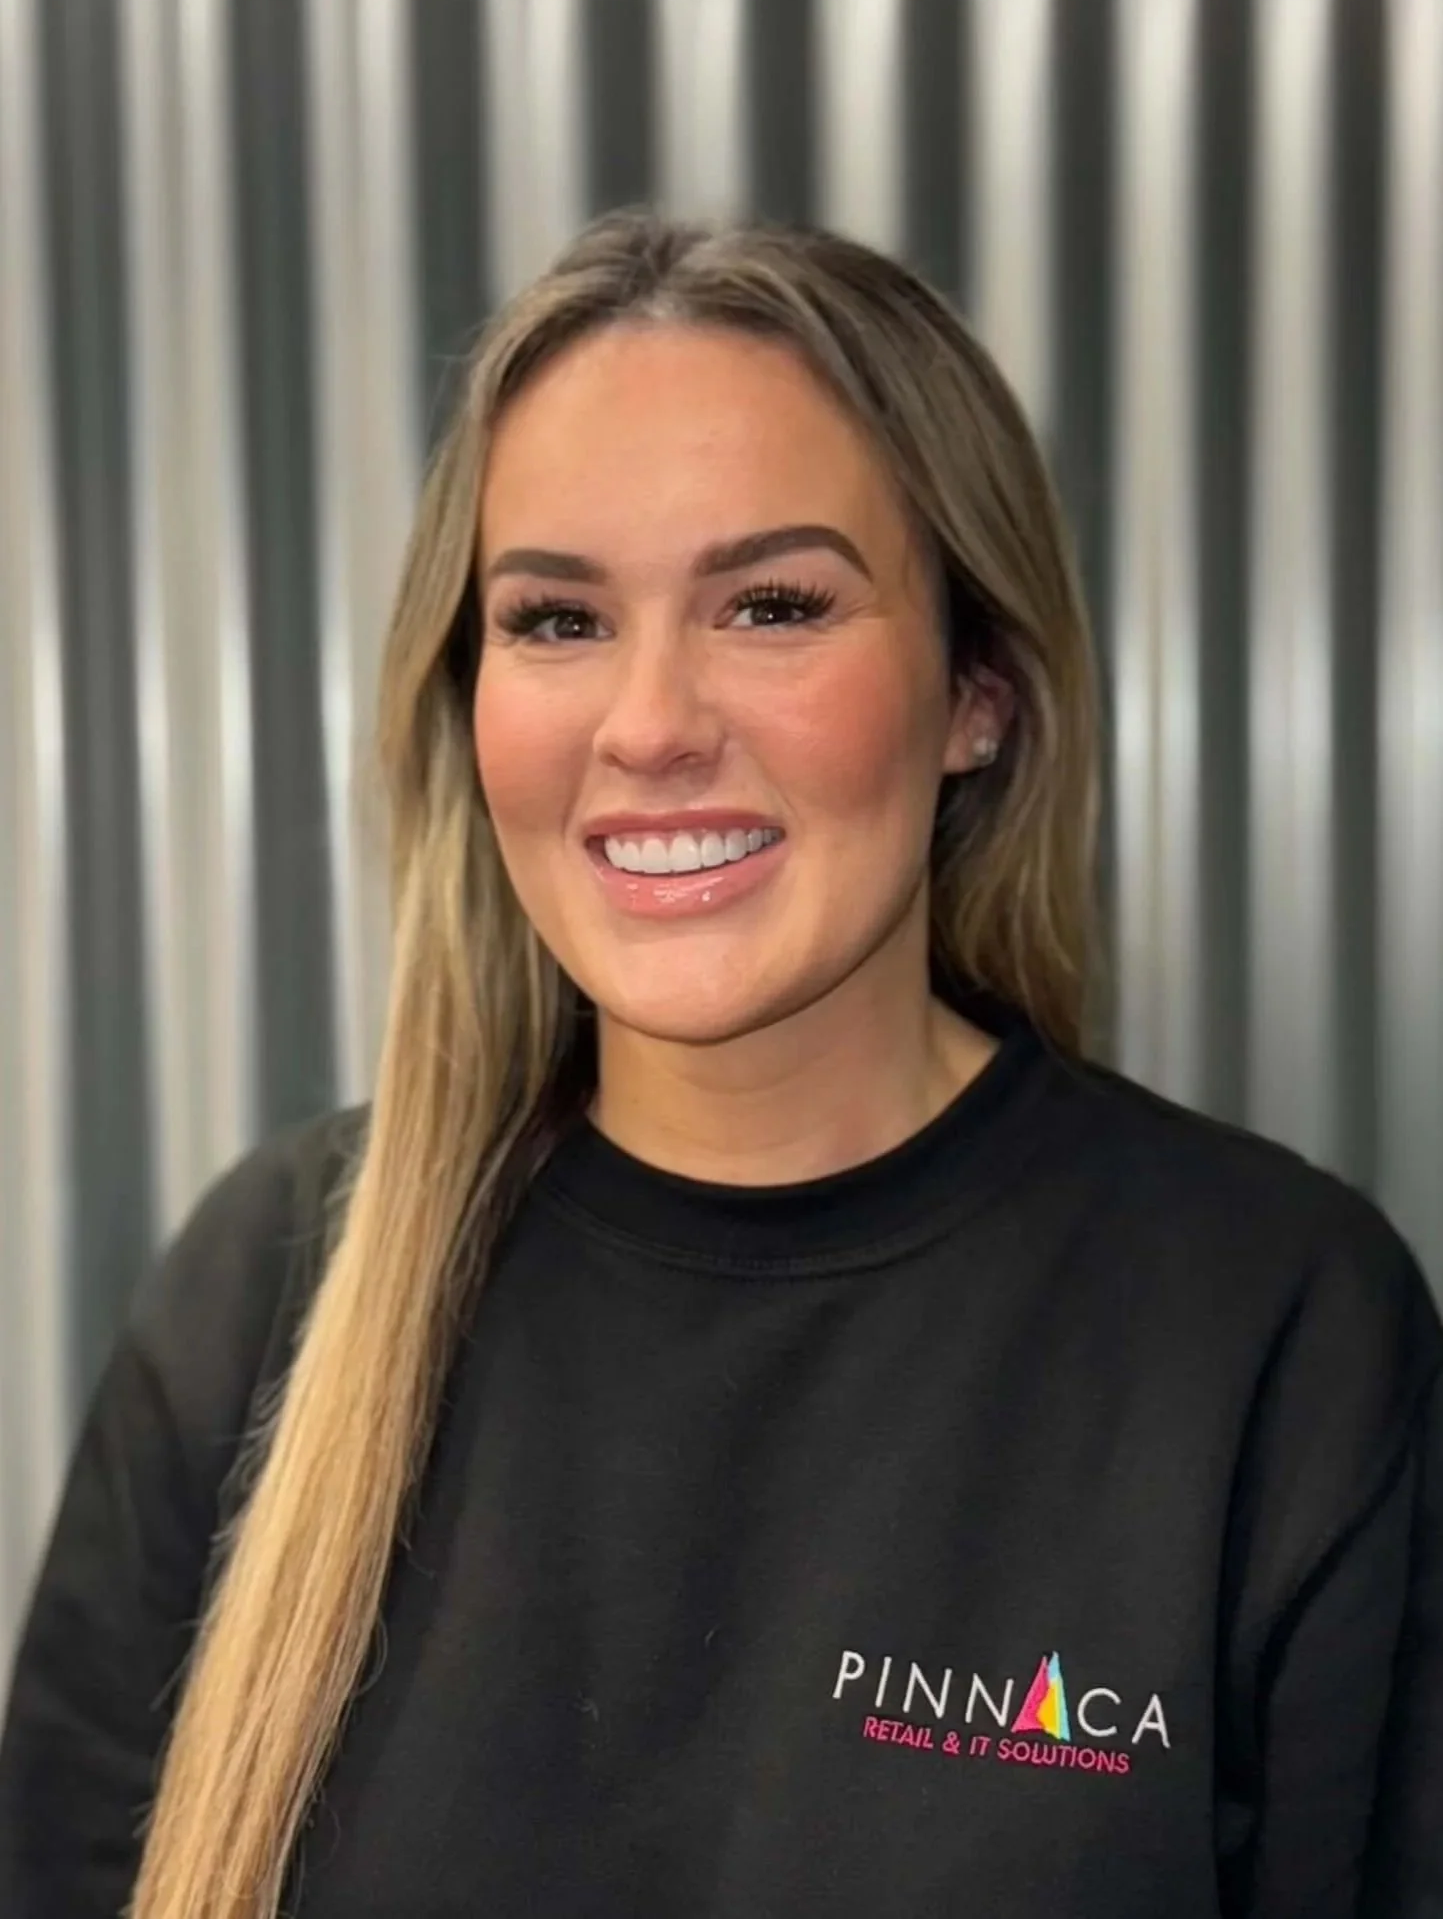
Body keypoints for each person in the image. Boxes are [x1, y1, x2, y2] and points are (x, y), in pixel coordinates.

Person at [1, 208, 1439, 1919]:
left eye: (769, 602)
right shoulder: (269, 1293)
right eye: (554, 620)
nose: (651, 724)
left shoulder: (1276, 1327)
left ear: (976, 687)